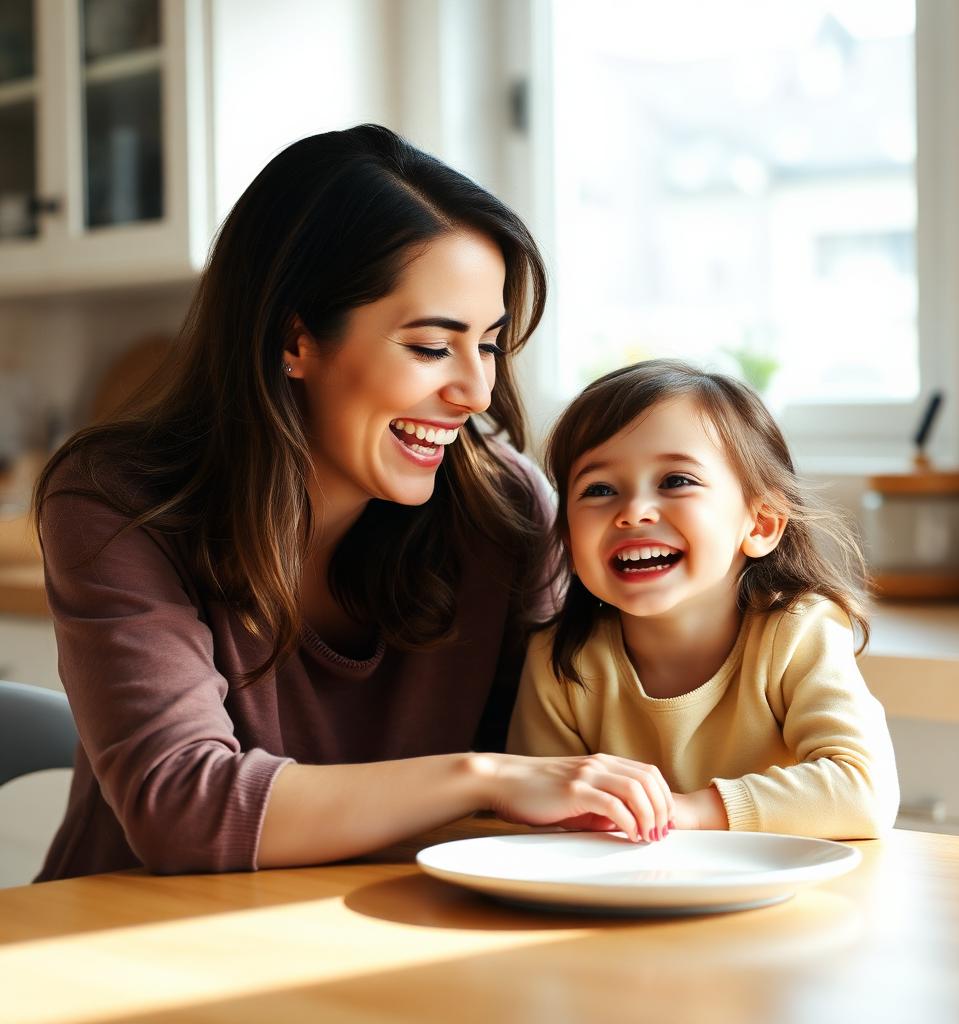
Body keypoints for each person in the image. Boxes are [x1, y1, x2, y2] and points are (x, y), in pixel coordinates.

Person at [32, 125, 675, 881]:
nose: (476, 391)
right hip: (123, 957)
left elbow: (564, 755)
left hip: (390, 940)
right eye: (433, 347)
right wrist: (484, 777)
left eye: (490, 344)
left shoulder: (503, 511)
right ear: (295, 338)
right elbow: (185, 808)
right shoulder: (118, 504)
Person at [508, 359, 900, 839]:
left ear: (761, 524)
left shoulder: (799, 631)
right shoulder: (559, 661)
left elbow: (864, 792)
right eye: (600, 489)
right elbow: (536, 817)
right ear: (569, 541)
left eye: (676, 481)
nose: (633, 512)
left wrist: (683, 812)